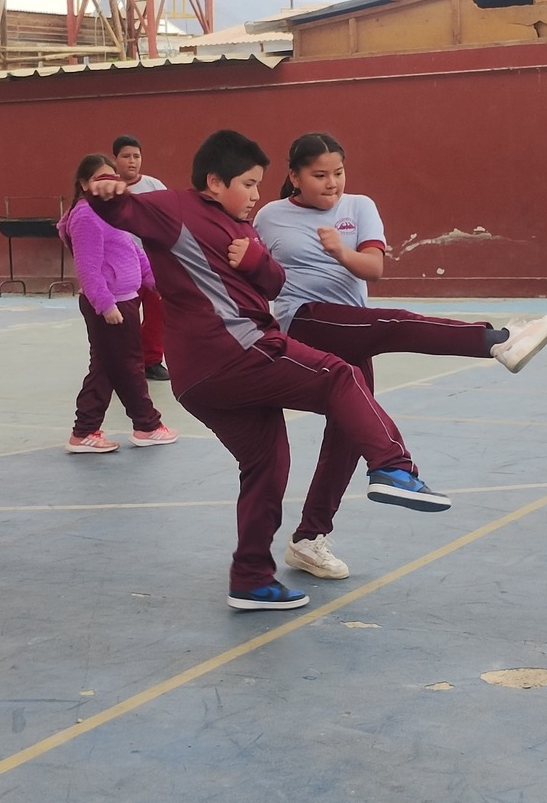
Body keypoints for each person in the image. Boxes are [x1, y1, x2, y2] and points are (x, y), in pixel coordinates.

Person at [86, 129, 450, 611]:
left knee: (266, 465)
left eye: (260, 185)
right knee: (341, 376)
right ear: (214, 182)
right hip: (231, 352)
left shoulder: (244, 227)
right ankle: (393, 468)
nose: (258, 195)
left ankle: (251, 579)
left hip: (203, 380)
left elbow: (275, 281)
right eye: (249, 184)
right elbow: (122, 209)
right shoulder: (175, 208)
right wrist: (108, 189)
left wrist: (257, 260)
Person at [253, 132, 547, 581]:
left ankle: (308, 539)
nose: (332, 183)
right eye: (319, 175)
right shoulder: (270, 216)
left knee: (347, 436)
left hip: (351, 325)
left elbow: (374, 269)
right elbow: (250, 269)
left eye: (338, 172)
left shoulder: (359, 207)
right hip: (305, 320)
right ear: (294, 176)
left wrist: (341, 251)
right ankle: (496, 340)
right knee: (392, 324)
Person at [59, 153, 178, 453]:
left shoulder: (112, 213)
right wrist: (106, 305)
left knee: (105, 368)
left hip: (125, 301)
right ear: (84, 183)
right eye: (99, 178)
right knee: (128, 367)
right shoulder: (86, 216)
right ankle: (147, 425)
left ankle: (85, 431)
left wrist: (155, 283)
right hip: (111, 307)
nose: (106, 184)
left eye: (111, 178)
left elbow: (134, 253)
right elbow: (87, 268)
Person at [110, 135, 171, 382]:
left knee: (157, 313)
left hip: (154, 263)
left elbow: (171, 218)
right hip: (122, 266)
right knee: (125, 317)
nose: (132, 161)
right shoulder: (108, 189)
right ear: (115, 159)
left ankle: (152, 361)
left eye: (136, 156)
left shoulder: (155, 186)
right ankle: (121, 364)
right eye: (126, 156)